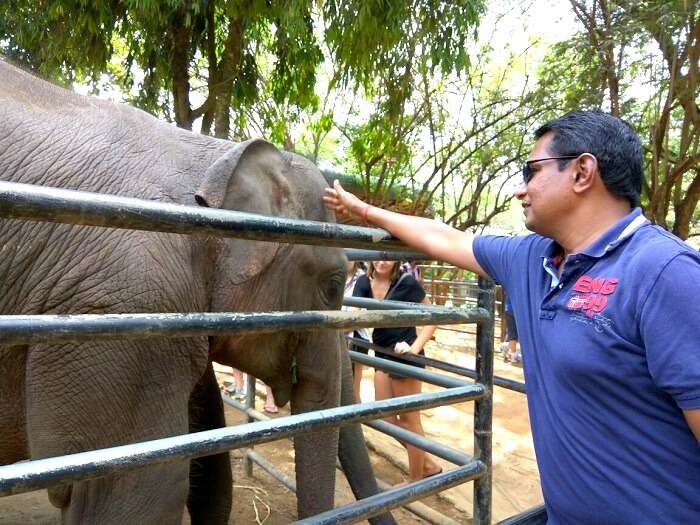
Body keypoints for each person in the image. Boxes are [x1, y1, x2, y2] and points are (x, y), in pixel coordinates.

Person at [325, 111, 700, 524]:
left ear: (582, 171)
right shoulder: (531, 258)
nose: (520, 190)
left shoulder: (667, 274)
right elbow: (445, 237)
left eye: (531, 171)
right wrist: (365, 212)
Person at [352, 259, 443, 483]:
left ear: (396, 259)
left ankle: (415, 478)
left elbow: (434, 316)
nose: (382, 262)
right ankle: (428, 464)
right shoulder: (364, 282)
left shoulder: (406, 283)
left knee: (410, 419)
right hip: (382, 355)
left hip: (405, 357)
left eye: (388, 257)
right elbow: (352, 317)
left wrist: (414, 347)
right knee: (385, 417)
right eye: (378, 256)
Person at [343, 260, 371, 401]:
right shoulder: (331, 274)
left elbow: (356, 316)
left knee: (352, 390)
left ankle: (354, 422)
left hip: (354, 337)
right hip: (332, 336)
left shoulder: (362, 278)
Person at [501, 296, 520, 364]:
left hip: (508, 309)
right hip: (516, 310)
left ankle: (506, 346)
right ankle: (513, 356)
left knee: (511, 331)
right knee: (514, 334)